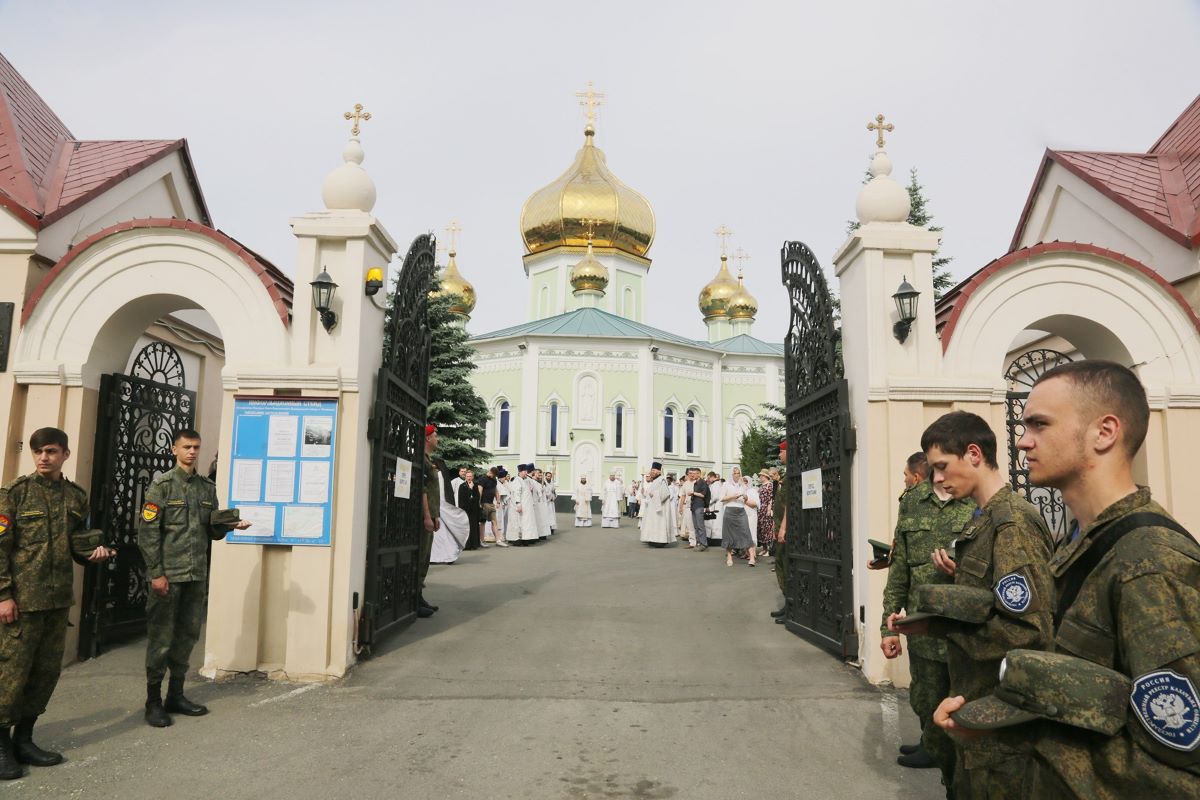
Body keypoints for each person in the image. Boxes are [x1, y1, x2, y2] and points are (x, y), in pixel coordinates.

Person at [941, 361, 1200, 797]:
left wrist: (1024, 745)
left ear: (1104, 432)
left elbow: (1180, 768)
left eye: (1039, 424)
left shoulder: (1150, 562)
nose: (1022, 441)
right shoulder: (1079, 542)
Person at [892, 411, 1054, 799]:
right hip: (976, 704)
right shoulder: (984, 520)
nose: (937, 478)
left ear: (974, 454)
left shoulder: (1011, 524)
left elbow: (1029, 632)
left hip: (999, 716)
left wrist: (941, 627)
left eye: (942, 466)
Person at [0, 428, 114, 778]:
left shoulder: (76, 497)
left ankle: (25, 739)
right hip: (22, 602)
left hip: (57, 600)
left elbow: (77, 544)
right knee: (10, 675)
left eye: (50, 451)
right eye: (38, 452)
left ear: (65, 454)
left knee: (46, 673)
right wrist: (3, 595)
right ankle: (1, 747)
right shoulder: (15, 494)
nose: (43, 457)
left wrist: (92, 555)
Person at [138, 428, 250, 728]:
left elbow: (211, 530)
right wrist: (156, 573)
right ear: (174, 449)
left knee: (187, 635)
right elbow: (148, 533)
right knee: (161, 639)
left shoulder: (206, 488)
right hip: (168, 576)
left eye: (196, 447)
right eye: (186, 447)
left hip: (195, 574)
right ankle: (153, 701)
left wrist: (230, 525)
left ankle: (176, 695)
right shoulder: (161, 486)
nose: (191, 452)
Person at [879, 451, 976, 785]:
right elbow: (899, 569)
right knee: (924, 696)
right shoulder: (912, 501)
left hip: (962, 630)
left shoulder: (974, 500)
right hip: (922, 626)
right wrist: (888, 627)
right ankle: (932, 747)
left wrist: (961, 571)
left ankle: (949, 763)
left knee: (960, 703)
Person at [419, 425, 442, 617]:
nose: (437, 439)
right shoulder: (422, 461)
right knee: (420, 557)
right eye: (435, 435)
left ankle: (418, 596)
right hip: (423, 518)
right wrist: (427, 516)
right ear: (427, 438)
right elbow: (423, 490)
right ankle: (414, 599)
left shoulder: (429, 460)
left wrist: (436, 515)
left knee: (426, 558)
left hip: (431, 516)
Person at [720, 467, 757, 566]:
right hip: (729, 509)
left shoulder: (743, 485)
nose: (737, 475)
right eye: (735, 473)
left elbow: (746, 498)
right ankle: (729, 557)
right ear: (731, 474)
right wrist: (733, 496)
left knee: (746, 532)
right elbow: (721, 498)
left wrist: (745, 497)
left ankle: (752, 558)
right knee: (729, 534)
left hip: (741, 510)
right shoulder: (726, 484)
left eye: (738, 473)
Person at [772, 443, 790, 623]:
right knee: (780, 562)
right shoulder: (786, 474)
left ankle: (792, 607)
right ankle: (788, 604)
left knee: (785, 564)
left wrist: (784, 527)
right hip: (779, 527)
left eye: (781, 451)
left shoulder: (792, 475)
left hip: (786, 529)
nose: (779, 455)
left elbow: (790, 504)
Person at [639, 463, 673, 546]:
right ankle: (653, 539)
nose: (652, 472)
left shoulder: (662, 480)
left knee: (659, 524)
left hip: (660, 508)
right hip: (652, 507)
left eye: (654, 470)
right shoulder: (655, 481)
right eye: (652, 470)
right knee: (653, 523)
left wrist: (653, 494)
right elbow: (650, 494)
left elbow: (665, 494)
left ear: (659, 472)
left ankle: (660, 541)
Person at [510, 465, 538, 545]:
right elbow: (517, 493)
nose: (526, 473)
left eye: (526, 471)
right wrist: (518, 504)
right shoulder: (517, 480)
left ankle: (527, 538)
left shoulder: (525, 480)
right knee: (521, 522)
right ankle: (520, 539)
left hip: (527, 506)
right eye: (524, 471)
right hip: (522, 506)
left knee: (527, 522)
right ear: (520, 472)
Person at [459, 469, 481, 550]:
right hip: (465, 510)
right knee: (466, 527)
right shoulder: (462, 486)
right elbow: (461, 499)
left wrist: (472, 489)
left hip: (473, 510)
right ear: (465, 477)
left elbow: (477, 497)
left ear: (472, 477)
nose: (469, 478)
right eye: (467, 476)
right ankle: (467, 545)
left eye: (470, 476)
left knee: (473, 527)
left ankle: (474, 545)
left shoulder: (475, 485)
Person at [756, 469, 776, 557]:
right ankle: (764, 549)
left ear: (765, 476)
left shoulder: (769, 485)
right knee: (761, 528)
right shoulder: (761, 486)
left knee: (767, 528)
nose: (760, 477)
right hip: (760, 509)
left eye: (761, 475)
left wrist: (769, 509)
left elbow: (771, 498)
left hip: (766, 508)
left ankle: (768, 549)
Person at [478, 467, 498, 546]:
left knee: (494, 522)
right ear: (490, 471)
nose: (493, 476)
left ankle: (498, 540)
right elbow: (480, 491)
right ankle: (481, 540)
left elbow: (496, 490)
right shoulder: (482, 479)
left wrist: (498, 500)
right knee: (483, 522)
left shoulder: (494, 480)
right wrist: (479, 503)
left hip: (491, 503)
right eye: (493, 474)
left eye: (494, 475)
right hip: (484, 503)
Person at [706, 472, 725, 545]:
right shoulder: (715, 484)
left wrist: (708, 503)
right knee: (714, 522)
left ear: (712, 477)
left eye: (709, 478)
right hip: (715, 504)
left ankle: (716, 540)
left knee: (716, 522)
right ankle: (714, 539)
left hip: (716, 505)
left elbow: (715, 496)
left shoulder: (716, 484)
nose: (708, 479)